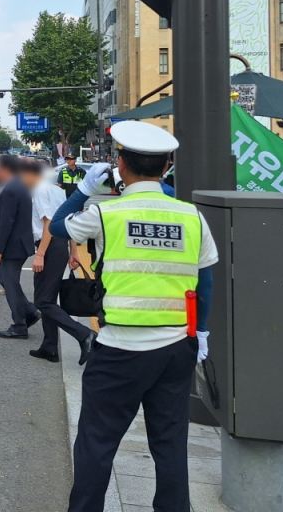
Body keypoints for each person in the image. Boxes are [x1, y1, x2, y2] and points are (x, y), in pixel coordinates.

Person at [50, 122, 217, 512]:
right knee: (170, 443)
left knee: (97, 442)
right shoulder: (191, 216)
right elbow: (205, 282)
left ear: (120, 165)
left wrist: (85, 190)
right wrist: (202, 332)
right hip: (176, 348)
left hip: (119, 349)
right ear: (167, 166)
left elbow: (59, 226)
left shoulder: (107, 213)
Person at [23, 158, 95, 363]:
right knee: (49, 297)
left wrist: (40, 254)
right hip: (60, 245)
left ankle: (84, 335)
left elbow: (49, 223)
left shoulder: (39, 191)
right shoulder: (56, 190)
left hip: (50, 246)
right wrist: (73, 250)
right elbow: (68, 220)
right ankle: (49, 346)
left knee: (43, 301)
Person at [0, 155, 42, 338]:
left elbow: (6, 223)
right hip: (19, 244)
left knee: (10, 283)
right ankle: (29, 310)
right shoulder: (19, 186)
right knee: (4, 277)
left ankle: (20, 325)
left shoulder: (12, 189)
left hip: (13, 246)